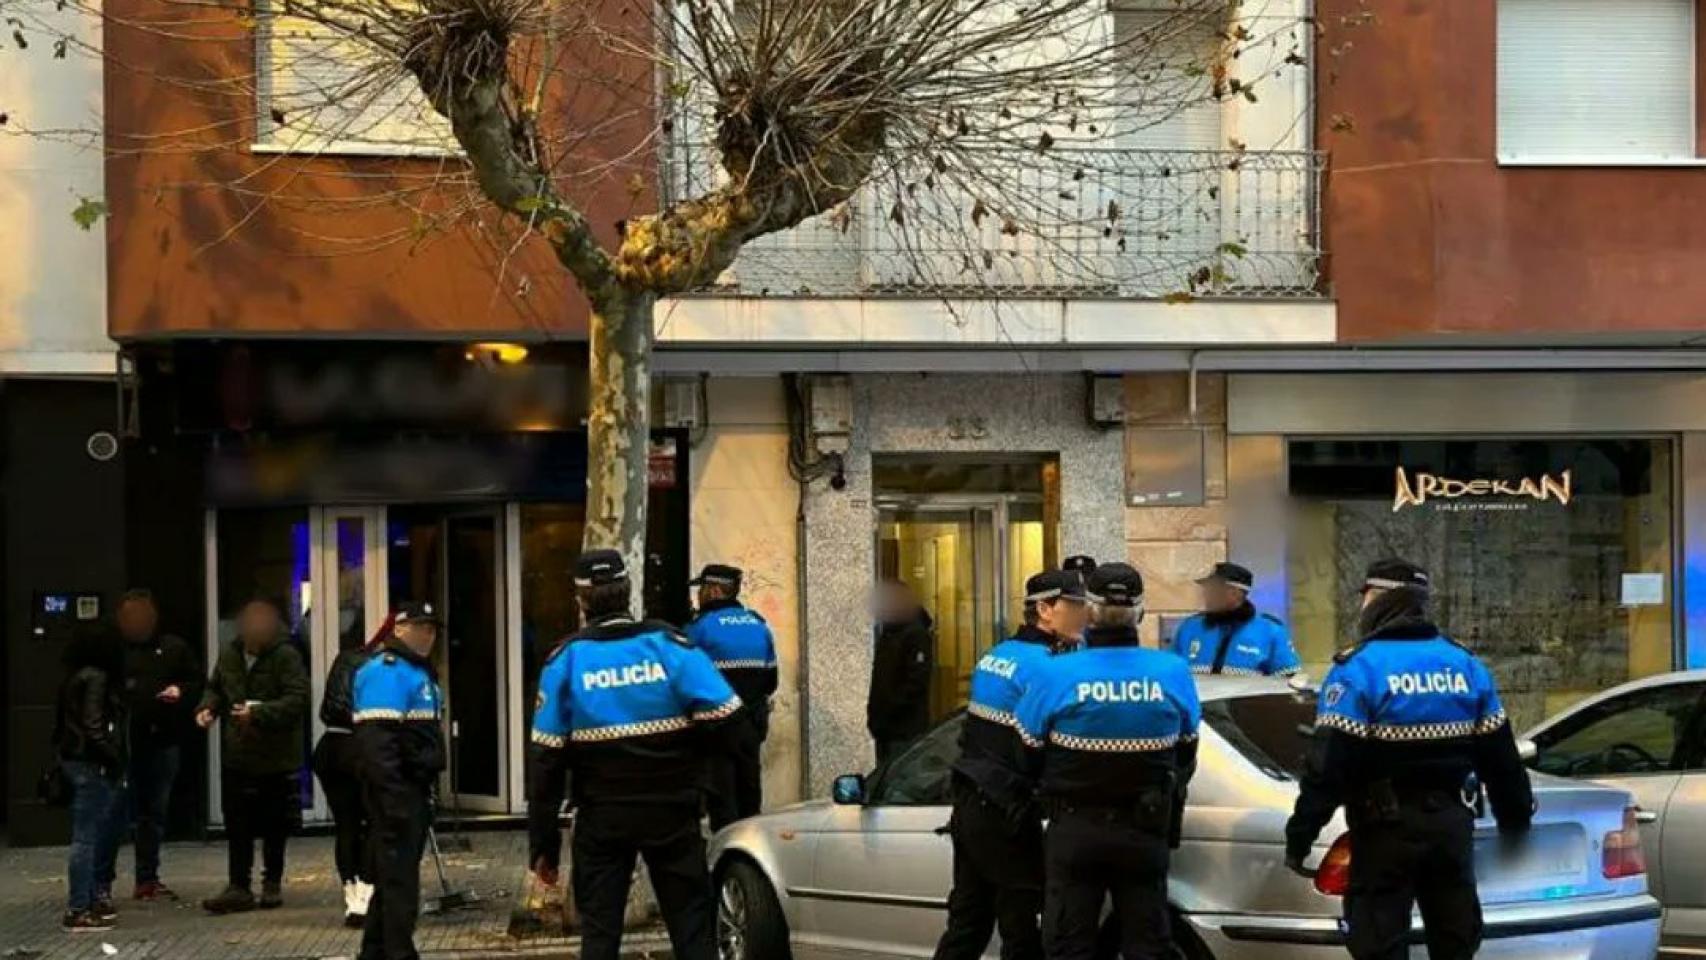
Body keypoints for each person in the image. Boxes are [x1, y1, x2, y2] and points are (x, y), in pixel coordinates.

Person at [1284, 558, 1533, 960]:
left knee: (1379, 943)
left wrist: (1301, 834)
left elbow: (1328, 767)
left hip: (1384, 834)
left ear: (1381, 599)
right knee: (1455, 942)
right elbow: (1501, 759)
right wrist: (1516, 820)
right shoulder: (1465, 665)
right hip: (1451, 828)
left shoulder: (1359, 668)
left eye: (1366, 596)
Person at [528, 549, 742, 960]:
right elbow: (732, 725)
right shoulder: (671, 646)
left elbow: (546, 761)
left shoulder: (566, 660)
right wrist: (711, 794)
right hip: (673, 812)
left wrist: (544, 845)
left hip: (603, 817)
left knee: (601, 935)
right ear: (629, 591)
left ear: (581, 600)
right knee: (692, 929)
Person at [1014, 563, 1200, 960]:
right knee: (1147, 944)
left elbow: (1027, 750)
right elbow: (1186, 751)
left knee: (1069, 944)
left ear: (1090, 611)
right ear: (1141, 612)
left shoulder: (1054, 672)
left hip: (1075, 828)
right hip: (1144, 830)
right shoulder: (1172, 671)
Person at [932, 570, 1088, 960]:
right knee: (1022, 931)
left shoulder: (996, 655)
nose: (1083, 616)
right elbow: (1041, 749)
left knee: (968, 924)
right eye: (1074, 607)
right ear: (1044, 609)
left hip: (971, 802)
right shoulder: (1046, 668)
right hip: (1006, 811)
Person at [196, 597, 310, 914]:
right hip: (238, 754)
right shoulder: (231, 653)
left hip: (275, 756)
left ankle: (271, 882)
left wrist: (258, 713)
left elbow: (297, 699)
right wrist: (207, 708)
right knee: (238, 824)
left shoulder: (286, 655)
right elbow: (217, 686)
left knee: (275, 824)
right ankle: (238, 885)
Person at [352, 603, 445, 960]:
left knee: (393, 880)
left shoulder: (414, 671)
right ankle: (399, 953)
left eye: (432, 629)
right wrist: (394, 802)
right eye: (419, 628)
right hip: (397, 793)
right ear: (399, 629)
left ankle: (375, 951)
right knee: (400, 884)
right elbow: (378, 746)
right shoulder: (387, 671)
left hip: (411, 790)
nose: (428, 635)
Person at [116, 589, 201, 901]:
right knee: (117, 814)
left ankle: (146, 878)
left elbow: (196, 683)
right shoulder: (113, 653)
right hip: (122, 745)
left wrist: (180, 691)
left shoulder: (173, 648)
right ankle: (100, 884)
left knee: (155, 813)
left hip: (163, 740)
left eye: (143, 615)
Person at [684, 563, 779, 830]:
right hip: (752, 724)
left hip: (716, 728)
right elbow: (771, 681)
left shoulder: (699, 629)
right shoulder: (759, 626)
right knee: (749, 791)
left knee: (721, 796)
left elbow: (686, 682)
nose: (699, 595)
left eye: (701, 589)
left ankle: (725, 855)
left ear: (713, 590)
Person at [315, 613, 389, 928]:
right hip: (360, 750)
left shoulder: (347, 658)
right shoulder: (388, 668)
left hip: (331, 747)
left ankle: (353, 897)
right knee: (374, 822)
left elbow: (327, 709)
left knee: (347, 825)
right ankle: (365, 895)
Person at [56, 628, 129, 932]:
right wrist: (113, 757)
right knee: (87, 837)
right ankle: (79, 908)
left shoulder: (74, 677)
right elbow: (94, 725)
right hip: (91, 762)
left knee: (86, 834)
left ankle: (82, 904)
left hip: (75, 759)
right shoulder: (98, 679)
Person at [1171, 562, 1300, 677]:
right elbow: (1171, 675)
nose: (1206, 594)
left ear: (1235, 593)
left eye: (1214, 589)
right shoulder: (1190, 627)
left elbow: (1289, 683)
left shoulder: (1270, 631)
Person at [867, 579, 935, 764]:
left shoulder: (916, 635)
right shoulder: (888, 634)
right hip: (885, 728)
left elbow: (916, 681)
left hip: (904, 729)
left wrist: (892, 710)